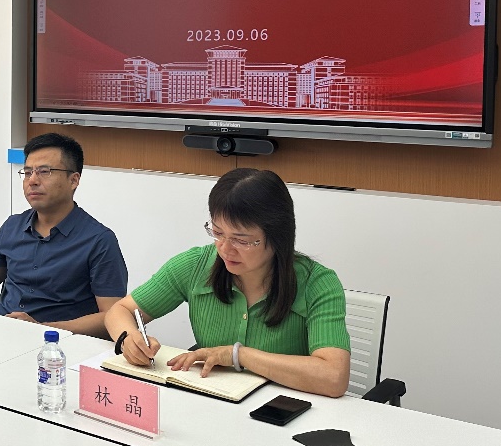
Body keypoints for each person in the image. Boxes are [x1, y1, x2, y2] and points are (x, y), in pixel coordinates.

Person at [105, 167, 351, 397]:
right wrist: (128, 338)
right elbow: (121, 310)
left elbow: (334, 377)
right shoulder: (195, 265)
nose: (225, 249)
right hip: (212, 401)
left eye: (241, 240)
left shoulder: (317, 283)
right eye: (217, 233)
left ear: (278, 237)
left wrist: (237, 355)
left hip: (282, 407)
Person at [0, 133, 126, 336]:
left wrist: (43, 328)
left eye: (44, 172)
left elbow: (112, 316)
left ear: (73, 180)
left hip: (57, 345)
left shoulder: (99, 241)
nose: (32, 181)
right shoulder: (12, 226)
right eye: (28, 172)